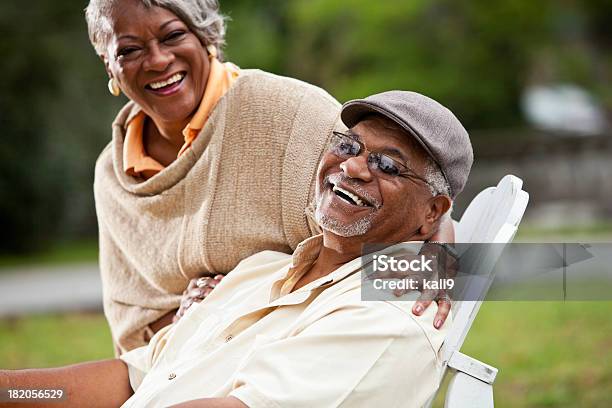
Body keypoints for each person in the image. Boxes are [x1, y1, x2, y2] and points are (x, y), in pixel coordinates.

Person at [1, 90, 472, 408]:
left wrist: (445, 259)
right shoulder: (258, 271)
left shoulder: (389, 316)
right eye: (348, 145)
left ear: (433, 211)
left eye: (387, 164)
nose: (352, 168)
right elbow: (133, 378)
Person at [86, 0, 452, 354]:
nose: (158, 60)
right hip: (178, 369)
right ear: (108, 65)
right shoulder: (112, 175)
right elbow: (131, 318)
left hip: (298, 351)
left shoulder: (288, 111)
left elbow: (415, 198)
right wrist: (189, 322)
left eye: (172, 36)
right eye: (129, 50)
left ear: (205, 35)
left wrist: (438, 261)